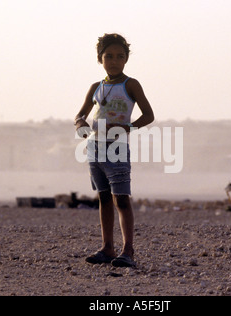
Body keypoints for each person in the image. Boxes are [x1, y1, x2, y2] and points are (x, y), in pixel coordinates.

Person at [74, 33, 154, 268]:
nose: (114, 61)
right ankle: (107, 247)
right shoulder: (96, 87)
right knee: (104, 198)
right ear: (100, 59)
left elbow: (149, 115)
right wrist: (80, 125)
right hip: (95, 148)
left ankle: (127, 250)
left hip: (117, 148)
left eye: (120, 56)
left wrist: (127, 127)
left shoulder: (130, 84)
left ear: (126, 60)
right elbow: (80, 114)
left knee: (121, 199)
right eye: (109, 56)